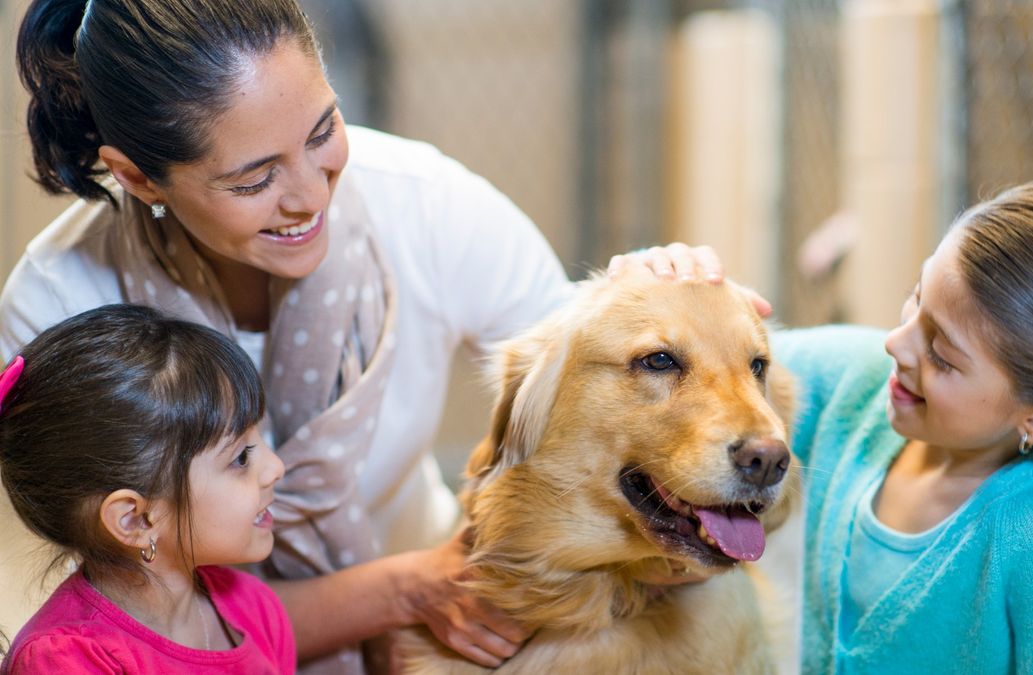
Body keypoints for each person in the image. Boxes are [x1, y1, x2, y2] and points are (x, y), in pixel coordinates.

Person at [3, 1, 750, 672]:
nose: (310, 194)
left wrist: (652, 305)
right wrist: (399, 594)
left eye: (324, 131)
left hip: (455, 601)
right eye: (253, 179)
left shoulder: (428, 205)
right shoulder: (60, 304)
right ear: (138, 178)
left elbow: (583, 393)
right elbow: (131, 610)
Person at [772, 179, 1033, 673]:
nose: (896, 344)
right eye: (916, 297)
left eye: (942, 357)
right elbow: (711, 368)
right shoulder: (860, 382)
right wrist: (666, 271)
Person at [0, 304, 292, 673]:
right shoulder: (68, 659)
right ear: (136, 520)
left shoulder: (257, 609)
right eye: (241, 458)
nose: (276, 468)